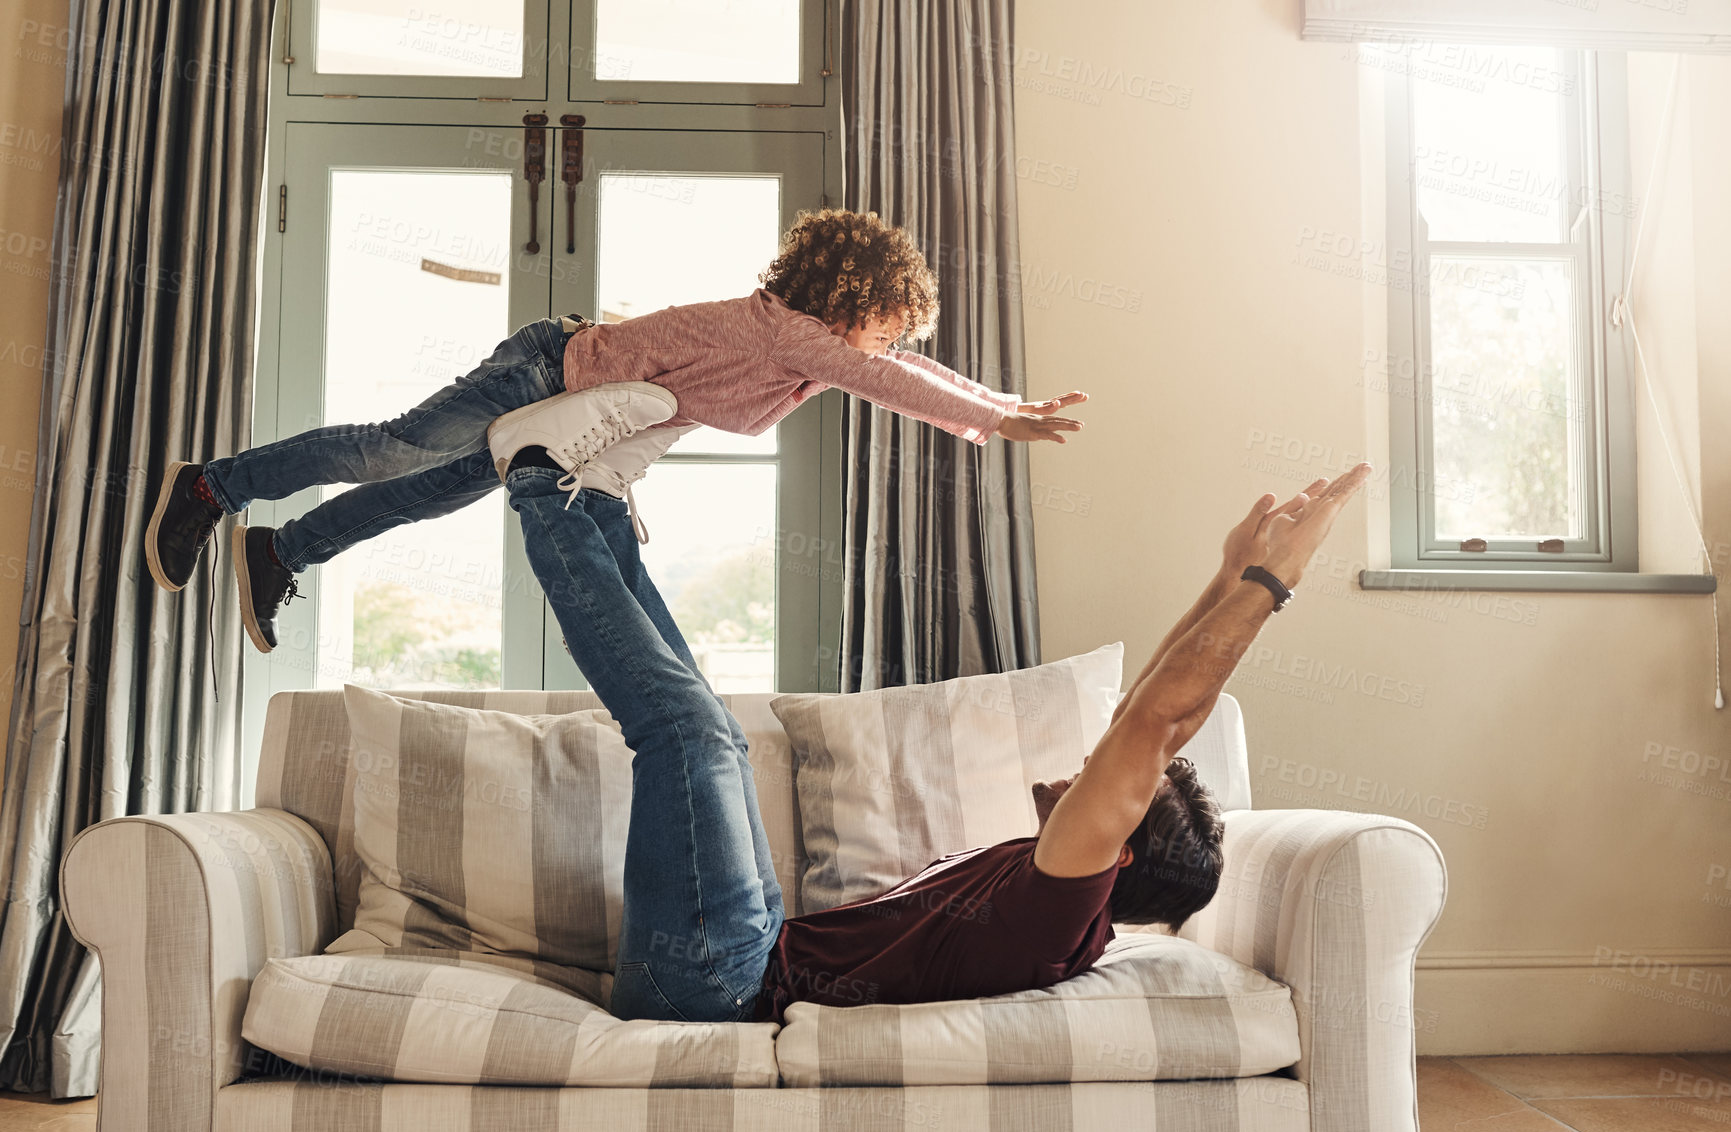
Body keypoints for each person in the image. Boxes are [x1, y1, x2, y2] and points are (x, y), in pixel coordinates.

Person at [493, 388, 1370, 1023]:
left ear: (1119, 844)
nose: (1083, 766)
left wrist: (1272, 581)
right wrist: (1227, 573)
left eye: (1107, 785)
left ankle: (538, 483)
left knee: (681, 733)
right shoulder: (1059, 881)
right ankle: (595, 499)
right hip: (751, 944)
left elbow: (1151, 727)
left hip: (716, 985)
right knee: (713, 728)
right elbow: (1142, 712)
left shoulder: (1055, 912)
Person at [143, 208, 1089, 653]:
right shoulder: (799, 337)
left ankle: (282, 548)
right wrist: (999, 422)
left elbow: (904, 369)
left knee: (425, 496)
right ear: (857, 301)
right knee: (396, 448)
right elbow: (890, 379)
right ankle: (210, 489)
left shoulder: (805, 356)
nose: (892, 339)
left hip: (561, 410)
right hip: (545, 367)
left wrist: (1004, 404)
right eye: (889, 320)